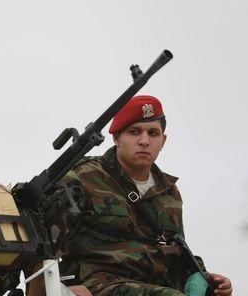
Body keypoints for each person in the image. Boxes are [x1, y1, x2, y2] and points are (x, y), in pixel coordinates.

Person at [59, 95, 232, 296]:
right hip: (98, 285)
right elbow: (36, 241)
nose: (144, 141)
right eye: (134, 132)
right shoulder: (82, 177)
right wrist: (57, 289)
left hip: (153, 286)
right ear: (116, 138)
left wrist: (209, 280)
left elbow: (173, 252)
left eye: (153, 133)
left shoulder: (168, 192)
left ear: (163, 141)